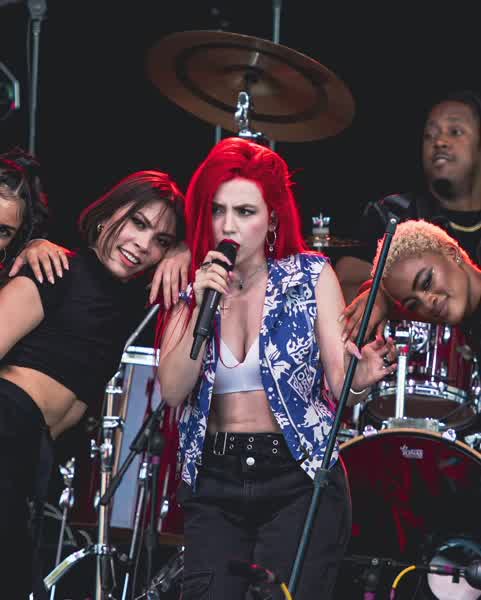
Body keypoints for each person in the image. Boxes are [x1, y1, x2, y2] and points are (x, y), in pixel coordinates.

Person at [157, 137, 397, 600]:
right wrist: (200, 301)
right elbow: (172, 390)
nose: (228, 225)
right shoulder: (194, 283)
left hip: (295, 476)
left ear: (271, 219)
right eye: (219, 210)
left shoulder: (310, 276)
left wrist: (362, 379)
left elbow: (340, 383)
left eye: (245, 211)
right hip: (215, 479)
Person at [0, 168, 185, 599]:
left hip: (31, 453)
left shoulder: (134, 300)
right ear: (108, 214)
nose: (143, 244)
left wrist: (185, 249)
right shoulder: (55, 269)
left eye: (160, 240)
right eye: (138, 223)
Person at [335, 89, 481, 340]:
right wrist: (381, 293)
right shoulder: (392, 213)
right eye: (429, 135)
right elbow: (346, 287)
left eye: (455, 131)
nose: (439, 142)